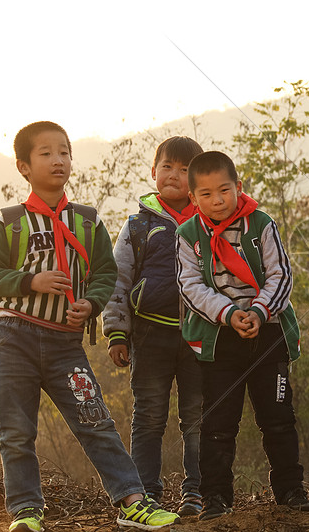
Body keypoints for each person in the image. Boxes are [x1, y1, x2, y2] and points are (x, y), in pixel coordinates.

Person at [0, 121, 180, 532]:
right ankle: (26, 512)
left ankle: (133, 502)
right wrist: (29, 281)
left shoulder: (88, 222)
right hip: (14, 337)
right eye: (46, 153)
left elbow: (106, 273)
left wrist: (90, 303)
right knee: (15, 431)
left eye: (65, 152)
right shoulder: (11, 223)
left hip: (66, 344)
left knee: (96, 420)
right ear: (23, 166)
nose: (58, 160)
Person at [175, 151, 309, 521]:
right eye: (205, 194)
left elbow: (280, 275)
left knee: (279, 418)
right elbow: (189, 285)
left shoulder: (261, 224)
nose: (217, 200)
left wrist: (257, 311)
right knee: (218, 423)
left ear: (239, 187)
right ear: (193, 199)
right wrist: (228, 313)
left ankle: (290, 490)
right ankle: (216, 497)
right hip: (219, 338)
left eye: (224, 190)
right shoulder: (188, 234)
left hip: (267, 332)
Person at [102, 136, 204, 516]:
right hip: (149, 333)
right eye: (167, 167)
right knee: (148, 417)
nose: (174, 175)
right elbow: (118, 280)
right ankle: (145, 492)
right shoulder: (137, 226)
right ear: (153, 172)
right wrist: (116, 331)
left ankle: (196, 492)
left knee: (197, 417)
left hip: (200, 334)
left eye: (184, 170)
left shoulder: (208, 222)